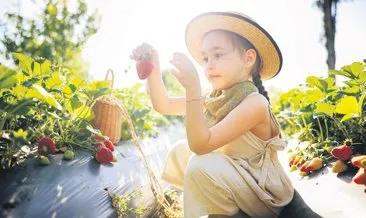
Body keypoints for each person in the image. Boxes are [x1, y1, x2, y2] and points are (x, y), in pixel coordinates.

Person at [131, 11, 294, 218]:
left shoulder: (255, 103)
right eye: (205, 58)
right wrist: (153, 69)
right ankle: (218, 209)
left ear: (248, 58)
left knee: (200, 164)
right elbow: (163, 105)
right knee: (180, 151)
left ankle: (224, 214)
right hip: (238, 182)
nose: (209, 65)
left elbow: (200, 144)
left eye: (218, 55)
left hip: (264, 196)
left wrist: (192, 90)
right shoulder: (215, 98)